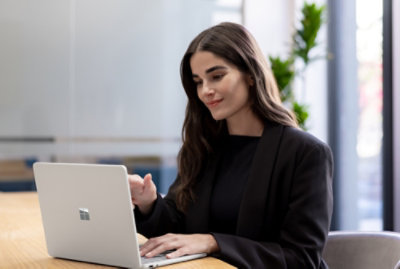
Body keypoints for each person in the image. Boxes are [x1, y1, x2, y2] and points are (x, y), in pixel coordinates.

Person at [129, 22, 333, 269]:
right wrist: (149, 202)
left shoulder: (305, 153)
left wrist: (214, 242)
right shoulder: (202, 146)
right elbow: (178, 231)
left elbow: (302, 259)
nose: (206, 91)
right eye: (198, 81)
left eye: (217, 76)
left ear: (250, 74)